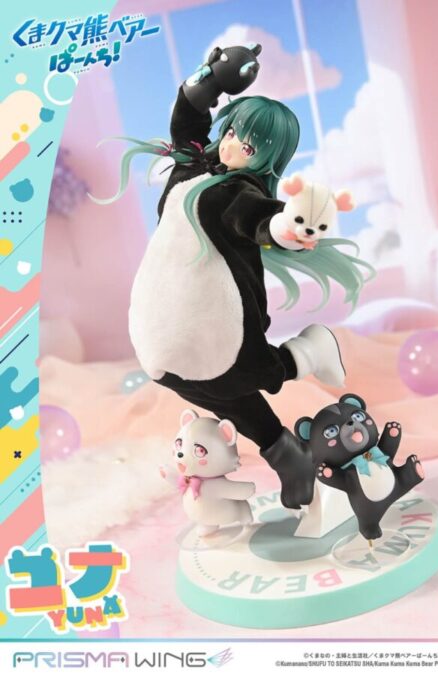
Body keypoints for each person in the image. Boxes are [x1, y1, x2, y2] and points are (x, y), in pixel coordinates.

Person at [93, 44, 373, 509]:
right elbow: (187, 122)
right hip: (162, 314)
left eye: (249, 145)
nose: (232, 146)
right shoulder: (193, 165)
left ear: (266, 158)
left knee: (241, 373)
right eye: (232, 133)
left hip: (213, 318)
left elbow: (259, 218)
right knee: (170, 371)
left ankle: (308, 356)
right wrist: (210, 78)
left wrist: (287, 227)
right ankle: (287, 452)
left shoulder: (240, 190)